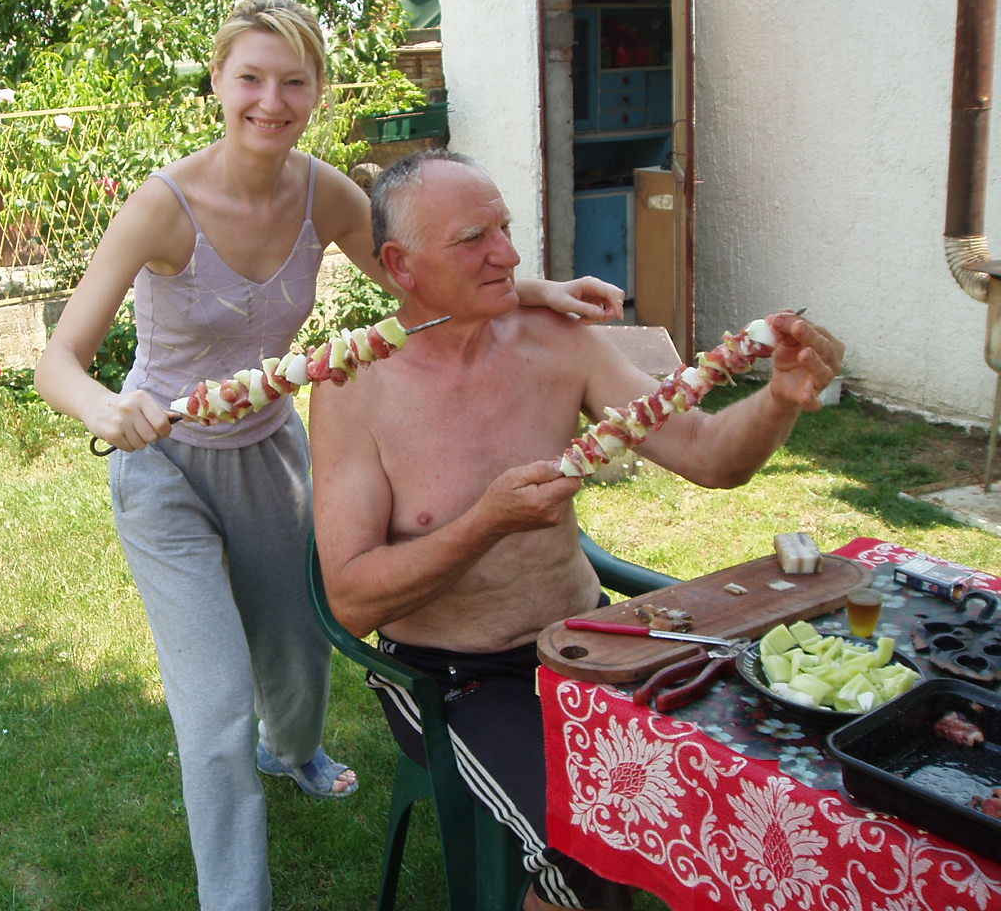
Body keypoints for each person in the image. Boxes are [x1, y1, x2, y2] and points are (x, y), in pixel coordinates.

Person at [34, 0, 625, 911]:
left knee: (300, 645)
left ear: (316, 92)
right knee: (215, 703)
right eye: (250, 78)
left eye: (293, 82)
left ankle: (295, 750)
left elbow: (425, 277)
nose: (270, 101)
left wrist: (537, 290)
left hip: (271, 447)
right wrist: (108, 410)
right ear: (218, 82)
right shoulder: (161, 207)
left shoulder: (327, 195)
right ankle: (236, 897)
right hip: (164, 463)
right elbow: (58, 361)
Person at [308, 149, 846, 911]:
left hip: (591, 645)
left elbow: (705, 452)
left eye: (505, 228)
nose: (509, 255)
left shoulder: (556, 341)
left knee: (759, 784)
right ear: (400, 265)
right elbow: (352, 598)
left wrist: (781, 398)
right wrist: (485, 524)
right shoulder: (353, 389)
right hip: (455, 679)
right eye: (474, 239)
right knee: (590, 852)